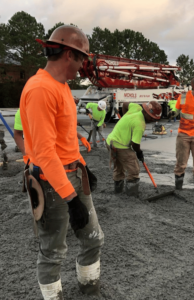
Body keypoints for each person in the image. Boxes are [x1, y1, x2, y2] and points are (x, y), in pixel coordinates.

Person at [20, 25, 104, 299]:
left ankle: (89, 289)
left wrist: (83, 166)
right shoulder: (41, 89)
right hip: (50, 182)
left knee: (93, 239)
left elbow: (65, 139)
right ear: (68, 54)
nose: (82, 67)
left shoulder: (63, 87)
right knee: (53, 251)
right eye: (81, 59)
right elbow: (44, 153)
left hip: (71, 175)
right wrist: (70, 198)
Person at [106, 101, 161, 196]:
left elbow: (125, 104)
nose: (152, 120)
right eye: (152, 118)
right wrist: (139, 152)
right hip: (120, 145)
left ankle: (118, 192)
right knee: (134, 170)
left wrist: (123, 118)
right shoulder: (140, 124)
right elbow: (135, 144)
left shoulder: (136, 107)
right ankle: (131, 196)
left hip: (110, 141)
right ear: (147, 112)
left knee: (119, 167)